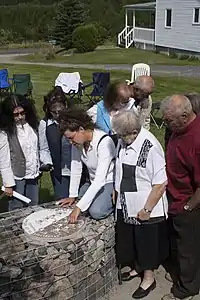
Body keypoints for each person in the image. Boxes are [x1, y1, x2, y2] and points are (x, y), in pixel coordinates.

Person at [112, 110, 168, 299]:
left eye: (122, 135)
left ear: (134, 132)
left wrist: (147, 209)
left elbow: (160, 183)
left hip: (146, 204)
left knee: (146, 243)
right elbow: (120, 166)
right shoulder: (124, 139)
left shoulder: (150, 146)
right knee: (132, 239)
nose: (120, 138)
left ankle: (149, 278)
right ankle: (137, 267)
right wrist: (116, 188)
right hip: (127, 201)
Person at [160, 95, 200, 300]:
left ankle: (187, 288)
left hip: (188, 203)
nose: (166, 124)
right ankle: (188, 276)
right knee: (183, 245)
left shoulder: (196, 138)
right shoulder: (180, 129)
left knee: (188, 248)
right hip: (176, 198)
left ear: (185, 115)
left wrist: (188, 207)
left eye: (168, 120)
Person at [58, 108, 115, 223]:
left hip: (108, 181)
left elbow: (100, 179)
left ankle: (114, 203)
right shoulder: (78, 143)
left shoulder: (104, 142)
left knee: (96, 211)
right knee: (80, 199)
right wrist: (72, 195)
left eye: (71, 138)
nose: (70, 142)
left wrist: (79, 207)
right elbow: (76, 167)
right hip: (92, 181)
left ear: (81, 129)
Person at [0, 94, 40, 211]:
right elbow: (4, 160)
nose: (20, 117)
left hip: (33, 173)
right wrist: (8, 184)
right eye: (16, 115)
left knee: (33, 204)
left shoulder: (32, 125)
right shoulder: (4, 132)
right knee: (16, 207)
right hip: (17, 176)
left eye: (22, 113)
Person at [87, 76, 154, 139]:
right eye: (145, 94)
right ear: (136, 89)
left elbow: (146, 120)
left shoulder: (146, 99)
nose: (147, 97)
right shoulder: (120, 93)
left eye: (148, 94)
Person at [38, 86, 72, 200]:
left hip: (77, 169)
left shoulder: (73, 121)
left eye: (60, 111)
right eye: (54, 112)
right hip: (59, 171)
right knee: (62, 200)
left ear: (66, 106)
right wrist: (48, 162)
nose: (57, 115)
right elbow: (44, 149)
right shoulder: (45, 124)